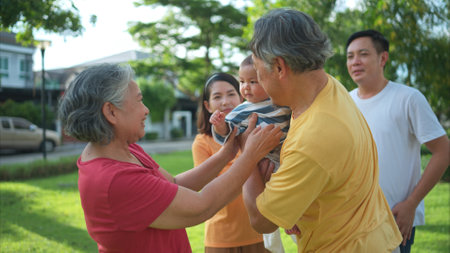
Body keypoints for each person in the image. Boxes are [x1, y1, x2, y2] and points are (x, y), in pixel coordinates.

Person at [57, 63, 283, 253]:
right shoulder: (114, 179)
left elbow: (174, 185)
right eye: (138, 101)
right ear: (111, 112)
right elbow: (202, 206)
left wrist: (228, 152)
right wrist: (251, 155)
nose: (145, 110)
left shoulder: (123, 149)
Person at [241, 8, 403, 252]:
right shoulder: (327, 87)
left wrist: (247, 156)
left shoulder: (313, 140)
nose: (258, 80)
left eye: (257, 69)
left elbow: (261, 220)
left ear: (280, 67)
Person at [346, 29, 450, 253]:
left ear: (383, 58)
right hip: (350, 221)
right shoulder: (345, 102)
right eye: (350, 56)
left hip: (393, 219)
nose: (355, 61)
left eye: (363, 54)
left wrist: (412, 203)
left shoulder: (408, 98)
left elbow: (443, 151)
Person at [206, 62, 290, 253]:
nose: (246, 87)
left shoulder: (281, 101)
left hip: (286, 157)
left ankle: (293, 223)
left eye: (253, 81)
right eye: (242, 81)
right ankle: (273, 245)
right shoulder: (242, 111)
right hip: (264, 160)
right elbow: (229, 134)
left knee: (292, 194)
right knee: (266, 205)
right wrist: (220, 126)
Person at [192, 72, 266, 253]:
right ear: (207, 106)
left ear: (241, 97)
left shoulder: (254, 132)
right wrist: (248, 158)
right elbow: (213, 190)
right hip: (220, 239)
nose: (225, 101)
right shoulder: (202, 142)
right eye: (217, 97)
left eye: (231, 94)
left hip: (256, 231)